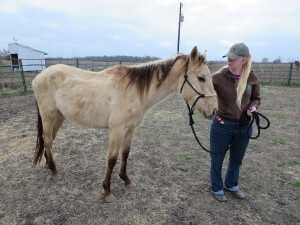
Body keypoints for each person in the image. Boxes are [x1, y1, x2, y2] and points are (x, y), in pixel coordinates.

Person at [210, 42, 261, 202]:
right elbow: (202, 92)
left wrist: (253, 108)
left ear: (243, 60)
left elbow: (256, 98)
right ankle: (216, 187)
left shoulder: (252, 78)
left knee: (237, 159)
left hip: (244, 125)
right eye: (228, 57)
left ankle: (231, 185)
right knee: (217, 158)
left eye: (233, 58)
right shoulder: (217, 77)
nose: (229, 61)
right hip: (222, 125)